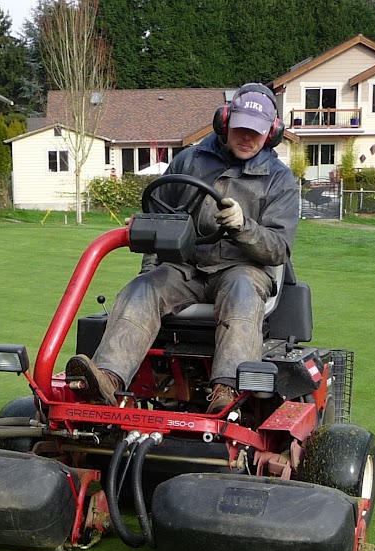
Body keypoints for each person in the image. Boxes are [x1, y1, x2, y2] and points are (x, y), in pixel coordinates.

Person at [66, 84, 300, 414]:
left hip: (243, 268)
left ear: (272, 133)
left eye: (256, 133)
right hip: (188, 268)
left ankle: (227, 388)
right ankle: (107, 378)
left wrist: (242, 225)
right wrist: (151, 271)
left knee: (243, 290)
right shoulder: (189, 160)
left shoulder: (279, 180)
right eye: (241, 129)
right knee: (142, 287)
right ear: (225, 122)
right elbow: (159, 219)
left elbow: (278, 249)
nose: (247, 138)